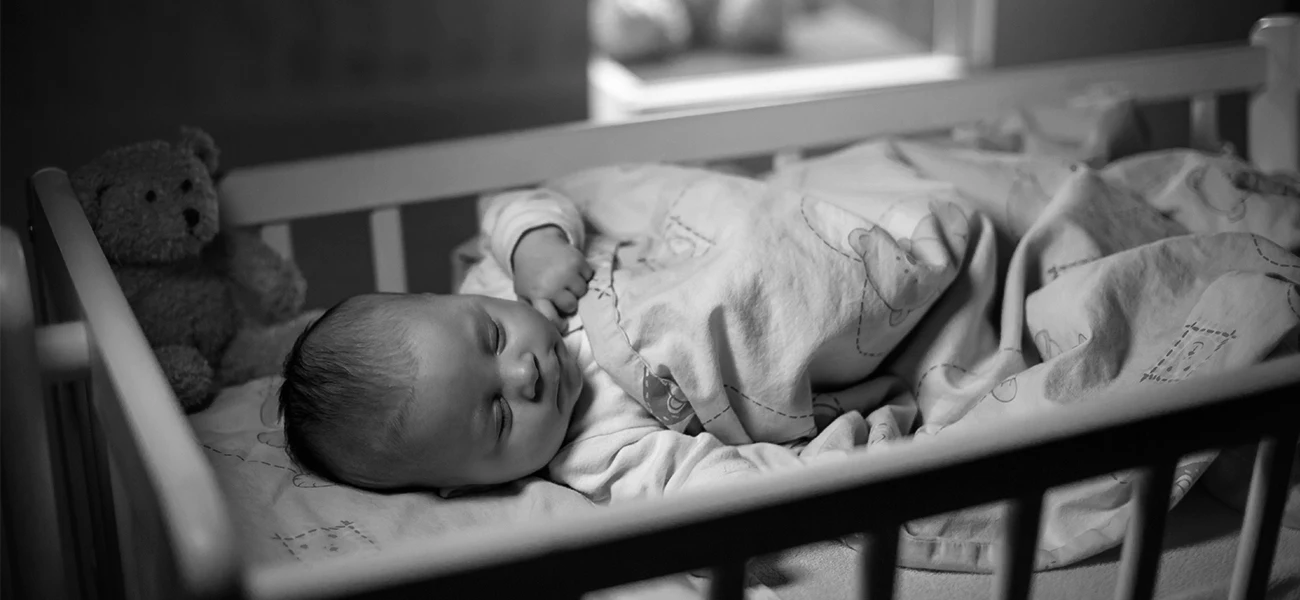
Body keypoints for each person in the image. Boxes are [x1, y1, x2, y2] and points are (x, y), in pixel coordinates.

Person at [279, 185, 877, 502]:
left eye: (492, 337)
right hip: (818, 324)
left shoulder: (505, 282)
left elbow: (519, 206)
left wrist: (534, 245)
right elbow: (695, 482)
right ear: (468, 483)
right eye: (498, 415)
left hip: (754, 239)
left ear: (453, 298)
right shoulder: (596, 452)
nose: (523, 375)